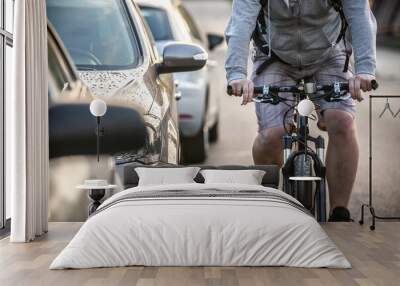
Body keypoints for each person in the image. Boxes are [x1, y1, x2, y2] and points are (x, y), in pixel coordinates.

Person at [225, 0, 377, 221]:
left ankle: (340, 213)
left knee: (342, 122)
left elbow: (361, 17)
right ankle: (270, 197)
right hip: (273, 57)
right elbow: (240, 24)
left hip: (329, 54)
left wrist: (365, 70)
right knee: (272, 136)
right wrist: (237, 74)